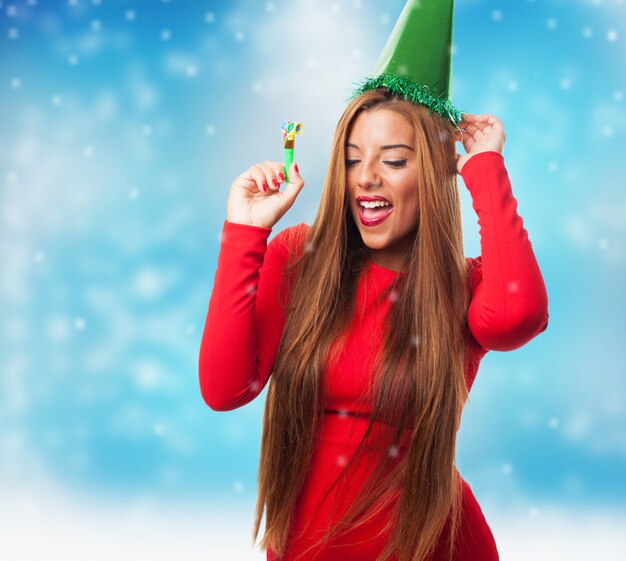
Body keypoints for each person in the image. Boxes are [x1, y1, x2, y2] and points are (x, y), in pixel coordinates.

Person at [200, 2, 549, 560]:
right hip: (307, 544)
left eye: (393, 159)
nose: (365, 176)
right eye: (353, 156)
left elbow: (518, 317)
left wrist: (485, 168)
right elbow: (225, 389)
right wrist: (245, 233)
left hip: (434, 544)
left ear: (433, 174)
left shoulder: (464, 288)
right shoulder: (302, 259)